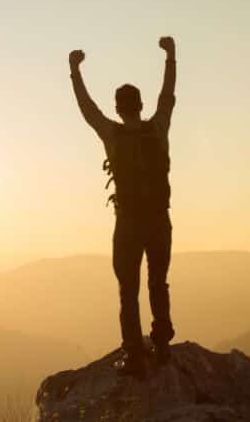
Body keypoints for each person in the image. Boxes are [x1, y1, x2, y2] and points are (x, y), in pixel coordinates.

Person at [68, 36, 177, 377]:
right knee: (158, 283)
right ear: (141, 105)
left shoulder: (112, 135)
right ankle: (161, 346)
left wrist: (74, 70)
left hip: (128, 224)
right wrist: (171, 56)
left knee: (128, 291)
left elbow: (87, 110)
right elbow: (168, 95)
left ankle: (134, 357)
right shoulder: (158, 128)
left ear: (118, 107)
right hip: (159, 221)